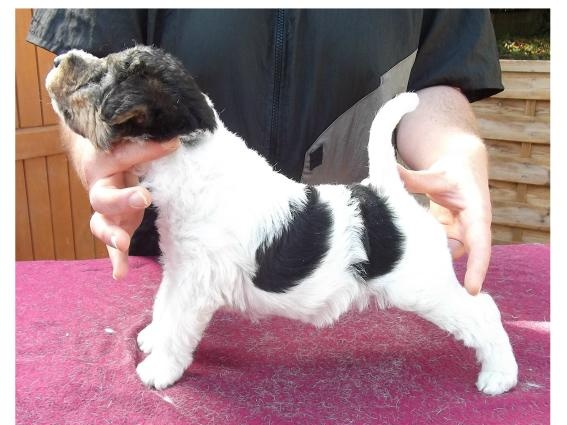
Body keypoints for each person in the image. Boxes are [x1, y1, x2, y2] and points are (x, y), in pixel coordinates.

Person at [28, 9, 501, 295]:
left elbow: (438, 75)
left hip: (357, 257)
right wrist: (105, 164)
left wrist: (455, 151)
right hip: (179, 252)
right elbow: (86, 63)